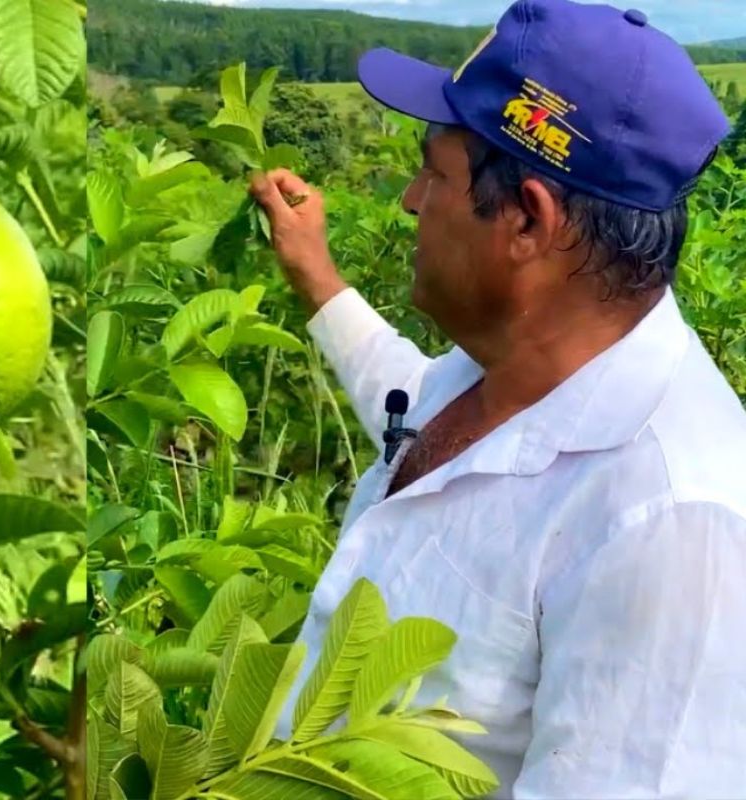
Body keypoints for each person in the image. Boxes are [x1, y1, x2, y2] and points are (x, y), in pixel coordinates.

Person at [251, 0, 746, 796]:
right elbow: (413, 406)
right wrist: (316, 275)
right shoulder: (516, 362)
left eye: (434, 173)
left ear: (526, 219)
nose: (411, 199)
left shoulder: (672, 523)